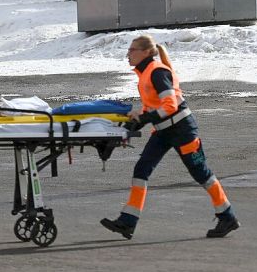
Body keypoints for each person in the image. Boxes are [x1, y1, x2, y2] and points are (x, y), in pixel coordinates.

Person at [100, 35, 240, 240]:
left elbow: (170, 105)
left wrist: (146, 117)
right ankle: (127, 222)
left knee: (200, 172)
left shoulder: (157, 72)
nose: (128, 55)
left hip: (182, 130)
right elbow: (152, 106)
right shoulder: (145, 74)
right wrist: (136, 122)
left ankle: (227, 216)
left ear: (146, 52)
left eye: (132, 50)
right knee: (141, 170)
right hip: (163, 131)